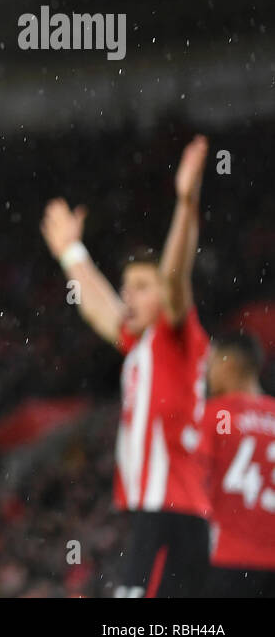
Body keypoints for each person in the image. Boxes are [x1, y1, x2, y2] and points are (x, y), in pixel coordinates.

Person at [41, 135, 212, 596]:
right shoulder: (142, 344)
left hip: (171, 511)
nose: (129, 295)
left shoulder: (176, 336)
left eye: (141, 285)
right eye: (127, 285)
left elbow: (176, 277)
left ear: (163, 296)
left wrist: (185, 205)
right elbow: (99, 306)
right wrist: (71, 254)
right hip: (161, 513)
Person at [198, 332, 275, 596]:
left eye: (212, 362)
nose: (207, 370)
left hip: (231, 557)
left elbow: (195, 481)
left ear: (228, 364)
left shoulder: (215, 415)